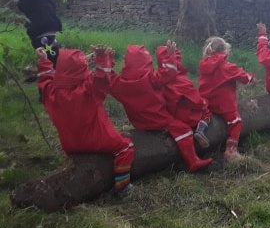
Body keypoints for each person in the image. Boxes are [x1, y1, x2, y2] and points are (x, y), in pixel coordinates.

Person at [36, 45, 135, 197]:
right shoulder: (88, 89)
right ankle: (122, 187)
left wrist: (44, 60)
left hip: (70, 145)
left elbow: (45, 78)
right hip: (97, 140)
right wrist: (103, 58)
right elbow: (103, 78)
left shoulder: (52, 93)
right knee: (126, 148)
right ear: (82, 70)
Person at [110, 42, 212, 172]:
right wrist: (170, 56)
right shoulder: (151, 78)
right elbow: (169, 73)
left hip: (138, 123)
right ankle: (193, 161)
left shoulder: (119, 84)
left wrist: (105, 60)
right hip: (158, 119)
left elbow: (107, 79)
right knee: (183, 129)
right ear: (146, 61)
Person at [198, 37, 254, 160]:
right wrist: (250, 77)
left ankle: (201, 128)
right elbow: (244, 78)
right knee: (236, 122)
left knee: (205, 114)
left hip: (206, 100)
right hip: (223, 104)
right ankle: (231, 150)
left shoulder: (204, 64)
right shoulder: (228, 66)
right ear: (225, 52)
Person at [155, 44, 212, 149]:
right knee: (207, 113)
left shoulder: (157, 79)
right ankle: (200, 130)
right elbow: (197, 102)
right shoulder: (181, 80)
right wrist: (205, 103)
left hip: (170, 116)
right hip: (186, 117)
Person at [14, 0, 63, 68]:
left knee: (53, 62)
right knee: (49, 64)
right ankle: (48, 82)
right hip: (41, 36)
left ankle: (51, 81)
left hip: (50, 35)